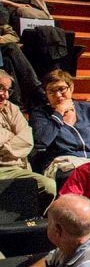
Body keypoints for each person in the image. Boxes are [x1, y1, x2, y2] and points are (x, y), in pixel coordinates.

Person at [30, 71, 90, 174]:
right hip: (60, 165)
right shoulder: (40, 114)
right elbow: (41, 141)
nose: (58, 95)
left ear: (71, 88)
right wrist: (58, 113)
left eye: (62, 89)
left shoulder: (86, 108)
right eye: (51, 91)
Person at [0, 70, 54, 198]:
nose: (5, 96)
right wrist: (12, 136)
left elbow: (27, 140)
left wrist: (4, 143)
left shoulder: (11, 108)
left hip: (16, 168)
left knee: (48, 185)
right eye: (1, 89)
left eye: (8, 90)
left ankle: (31, 218)